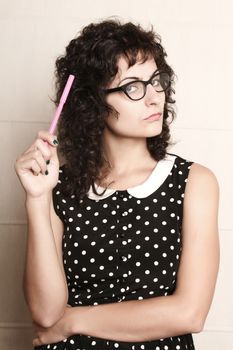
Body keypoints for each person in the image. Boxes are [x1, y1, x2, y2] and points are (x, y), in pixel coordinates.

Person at [15, 19, 220, 350]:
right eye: (133, 87)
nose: (154, 98)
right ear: (94, 104)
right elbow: (45, 312)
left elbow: (189, 313)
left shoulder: (194, 182)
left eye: (156, 81)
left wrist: (74, 320)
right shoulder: (57, 186)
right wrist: (37, 200)